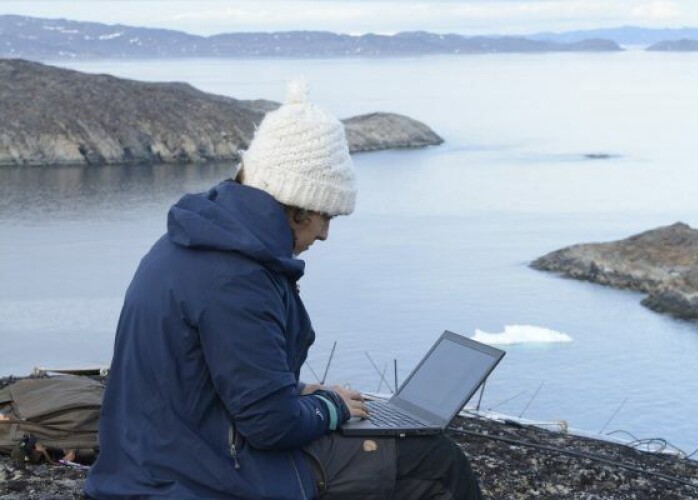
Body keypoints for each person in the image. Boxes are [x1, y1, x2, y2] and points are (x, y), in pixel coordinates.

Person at [85, 81, 482, 499]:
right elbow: (271, 426)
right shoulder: (236, 278)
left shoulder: (195, 242)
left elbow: (201, 379)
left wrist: (296, 393)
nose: (325, 234)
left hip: (157, 457)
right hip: (195, 477)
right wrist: (331, 407)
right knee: (434, 461)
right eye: (325, 216)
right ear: (297, 207)